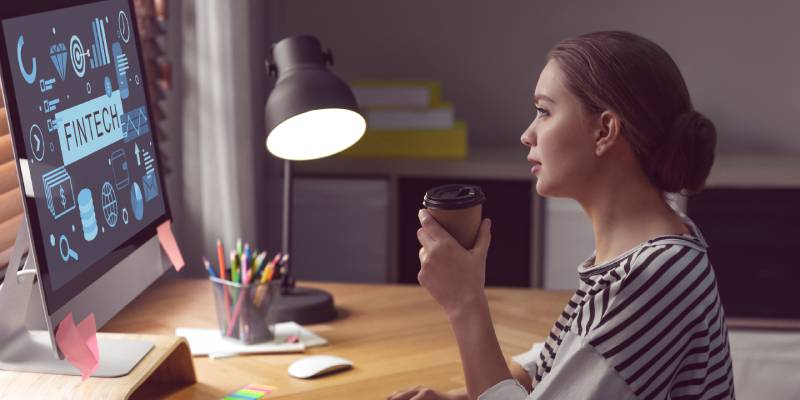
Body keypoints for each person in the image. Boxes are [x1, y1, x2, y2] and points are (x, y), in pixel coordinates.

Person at [387, 31, 734, 400]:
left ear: (604, 131)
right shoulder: (650, 253)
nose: (527, 134)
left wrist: (465, 302)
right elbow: (560, 361)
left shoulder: (656, 275)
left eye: (544, 111)